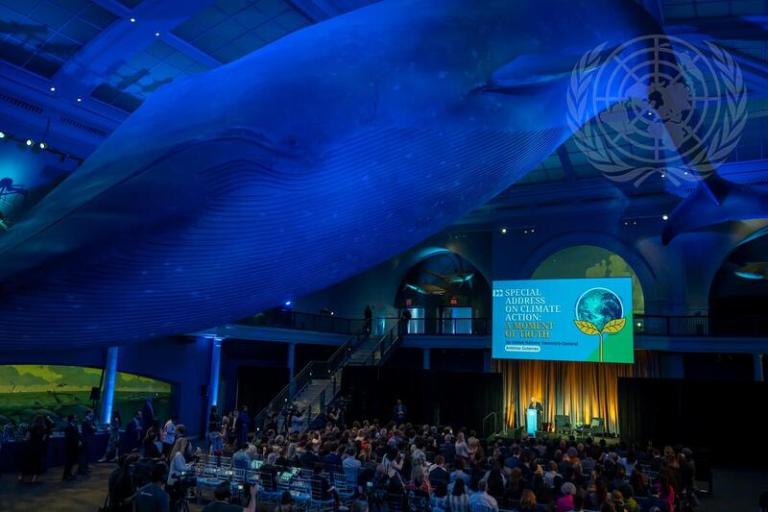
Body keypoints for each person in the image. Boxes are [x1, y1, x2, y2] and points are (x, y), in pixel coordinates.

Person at [18, 415, 47, 483]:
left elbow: (27, 437)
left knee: (27, 462)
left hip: (30, 446)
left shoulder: (31, 427)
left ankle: (21, 476)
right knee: (37, 463)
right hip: (38, 447)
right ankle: (33, 479)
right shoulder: (43, 428)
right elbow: (43, 439)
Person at [62, 414, 81, 481]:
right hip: (70, 447)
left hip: (75, 446)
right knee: (69, 461)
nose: (76, 419)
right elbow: (69, 438)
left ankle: (70, 474)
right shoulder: (68, 427)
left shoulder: (75, 426)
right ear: (72, 419)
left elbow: (77, 435)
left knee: (72, 461)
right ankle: (66, 475)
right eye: (75, 417)